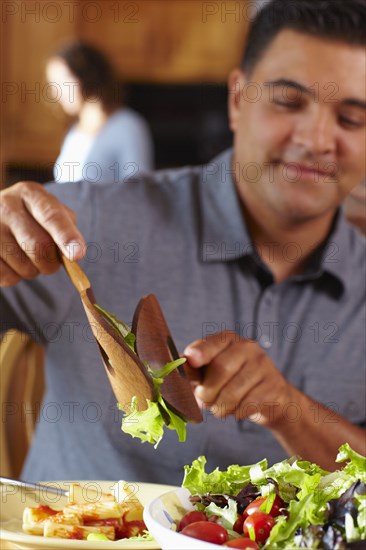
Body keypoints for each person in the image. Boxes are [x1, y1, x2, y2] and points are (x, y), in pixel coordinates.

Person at [1, 0, 365, 484]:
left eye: (352, 119)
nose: (319, 139)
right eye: (289, 101)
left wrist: (287, 409)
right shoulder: (89, 222)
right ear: (237, 99)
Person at [46, 40, 154, 183]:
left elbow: (138, 189)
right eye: (54, 84)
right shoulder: (75, 132)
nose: (57, 92)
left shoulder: (128, 126)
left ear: (86, 76)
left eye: (63, 81)